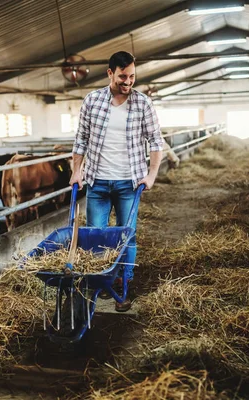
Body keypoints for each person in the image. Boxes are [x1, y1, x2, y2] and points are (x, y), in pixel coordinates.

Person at [70, 50, 164, 312]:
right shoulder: (92, 100)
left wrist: (151, 175)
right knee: (95, 237)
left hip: (129, 183)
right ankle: (101, 282)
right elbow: (81, 139)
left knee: (126, 236)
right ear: (110, 73)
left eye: (132, 76)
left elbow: (156, 141)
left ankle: (124, 286)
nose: (128, 81)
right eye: (123, 76)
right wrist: (77, 170)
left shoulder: (143, 103)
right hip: (97, 181)